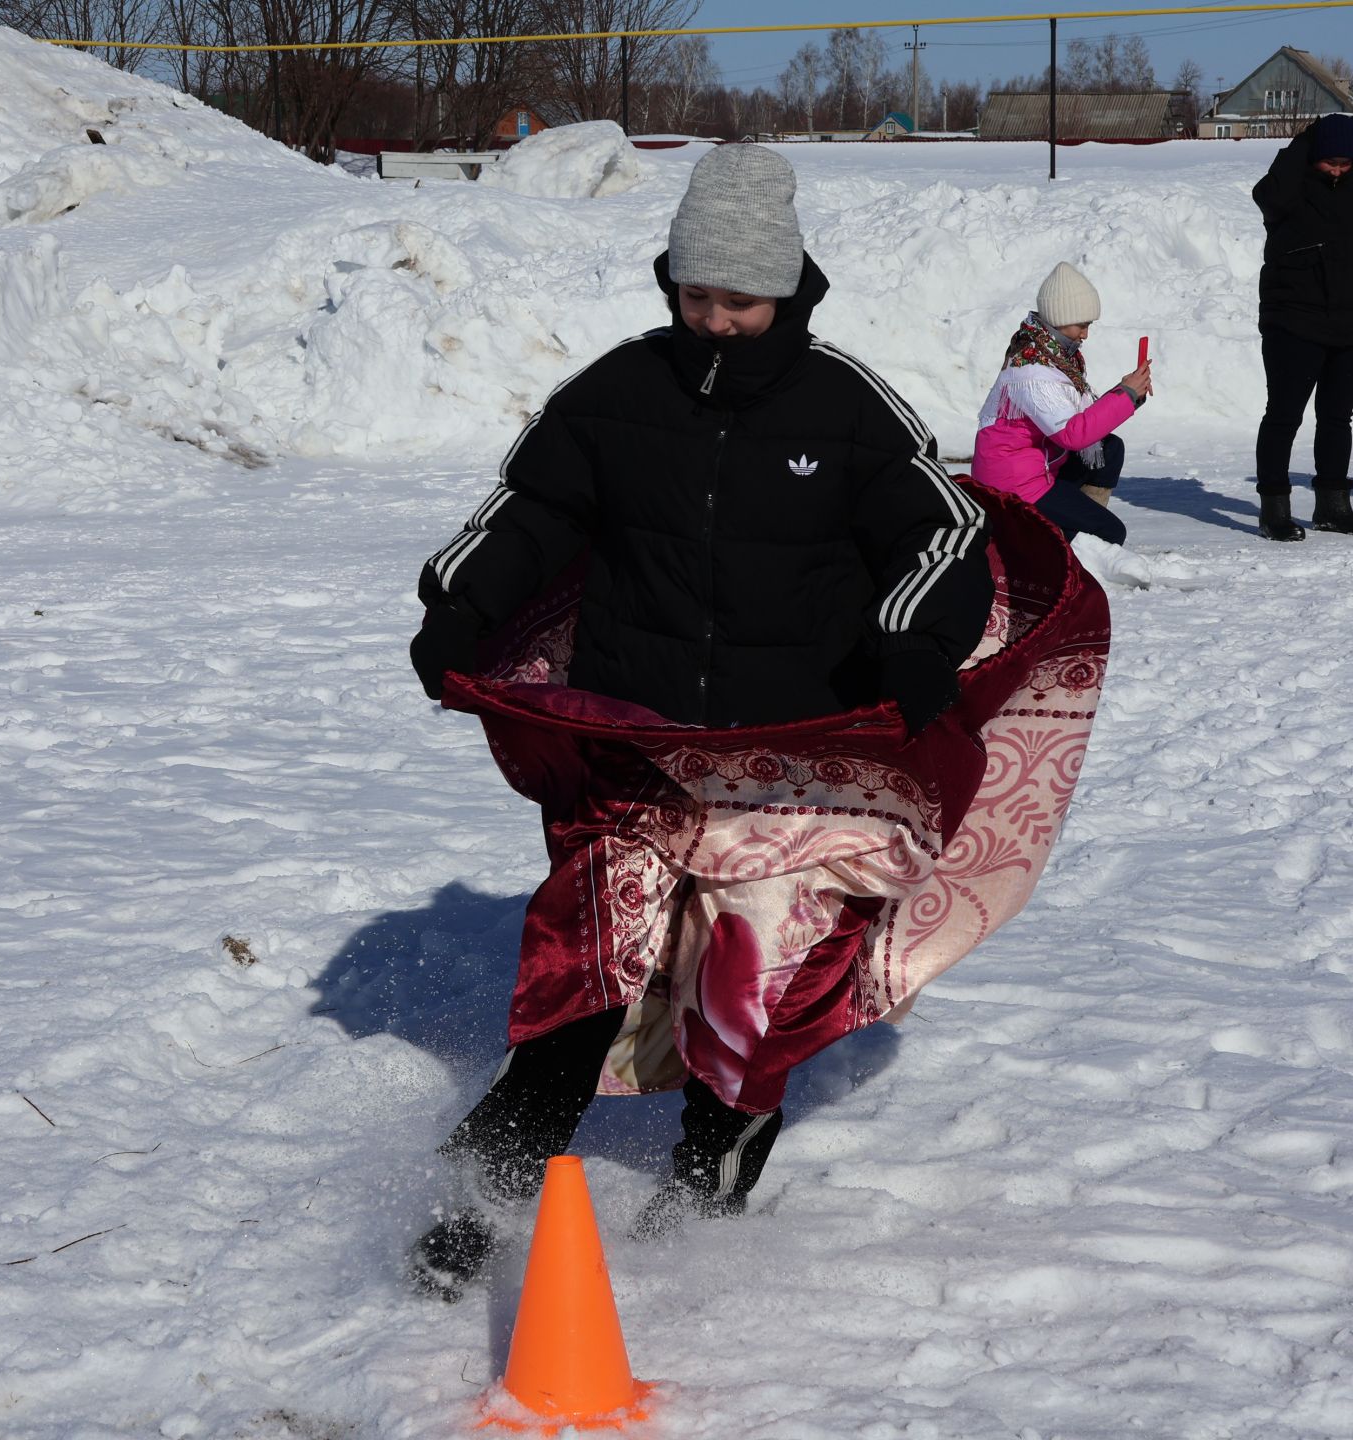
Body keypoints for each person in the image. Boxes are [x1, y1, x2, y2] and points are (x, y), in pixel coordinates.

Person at [403, 143, 997, 1300]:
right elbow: (526, 513)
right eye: (696, 294)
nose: (716, 319)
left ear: (786, 290)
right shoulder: (618, 395)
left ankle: (706, 1190)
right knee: (589, 964)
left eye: (741, 298)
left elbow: (946, 535)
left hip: (793, 759)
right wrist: (459, 608)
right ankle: (480, 1196)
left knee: (743, 983)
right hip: (640, 744)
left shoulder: (850, 407)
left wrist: (913, 641)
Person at [1251, 113, 1353, 541]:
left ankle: (1333, 505)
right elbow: (1267, 196)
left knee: (1338, 417)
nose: (1338, 170)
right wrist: (1304, 145)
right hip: (1294, 322)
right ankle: (1275, 509)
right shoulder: (1290, 190)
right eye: (1329, 161)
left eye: (1346, 161)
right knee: (1284, 417)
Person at [968, 262, 1153, 548]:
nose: (1085, 334)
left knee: (1109, 449)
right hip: (1014, 485)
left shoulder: (1052, 355)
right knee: (1112, 532)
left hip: (1042, 464)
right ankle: (1055, 551)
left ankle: (1072, 532)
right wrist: (1124, 395)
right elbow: (1072, 434)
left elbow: (1080, 419)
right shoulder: (1032, 369)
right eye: (1083, 325)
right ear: (1060, 317)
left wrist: (1128, 393)